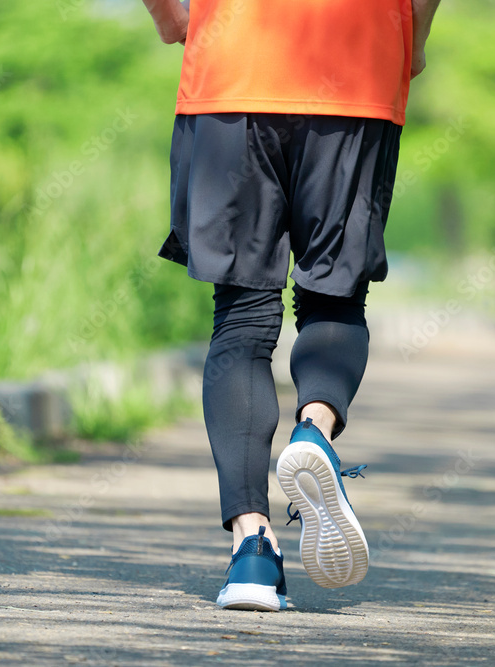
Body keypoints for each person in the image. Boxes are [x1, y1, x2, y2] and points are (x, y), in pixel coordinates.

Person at [141, 0, 441, 611]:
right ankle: (316, 432)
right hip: (358, 62)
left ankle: (251, 551)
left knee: (242, 314)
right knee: (335, 296)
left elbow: (172, 16)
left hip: (233, 68)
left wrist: (170, 13)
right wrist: (416, 36)